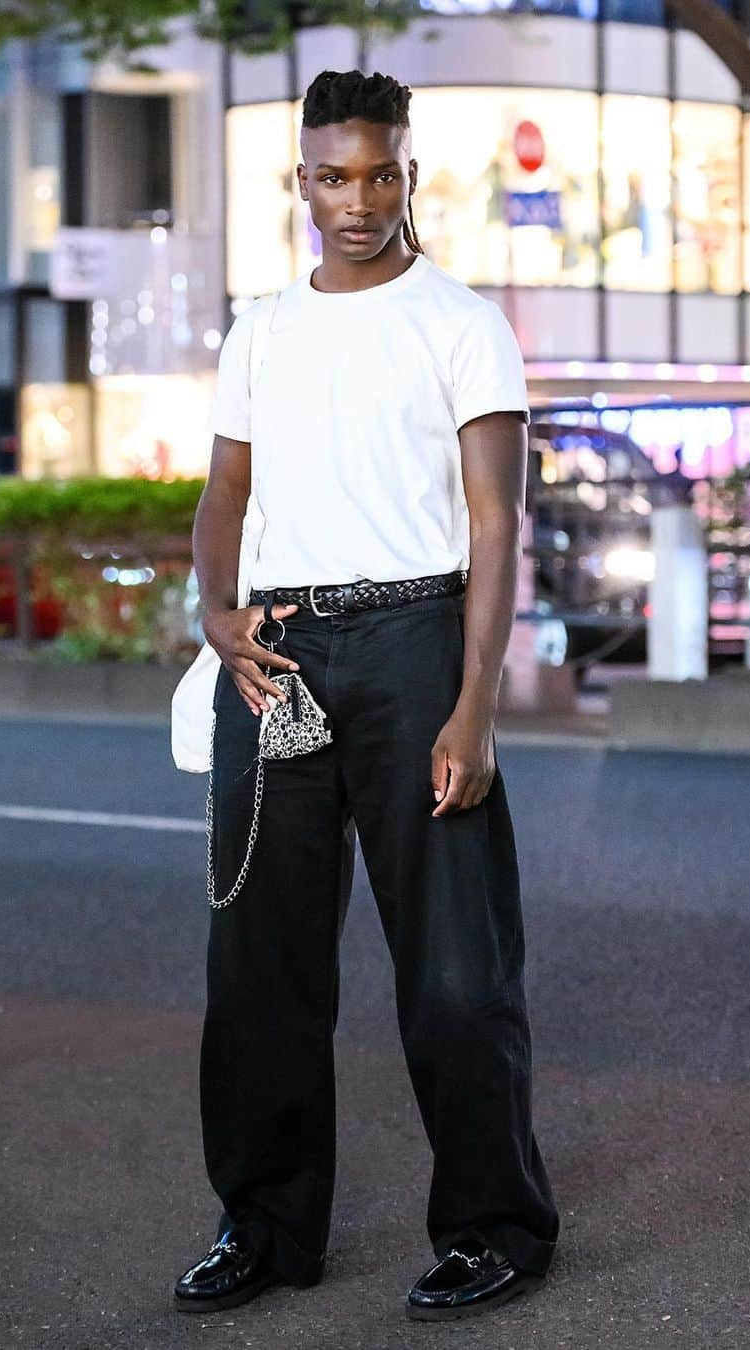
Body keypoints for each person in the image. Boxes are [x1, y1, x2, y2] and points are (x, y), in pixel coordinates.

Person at [173, 68, 560, 1323]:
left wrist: (475, 705)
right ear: (301, 182)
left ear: (410, 172)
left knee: (456, 970)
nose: (359, 198)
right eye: (335, 175)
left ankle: (495, 1226)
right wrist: (213, 610)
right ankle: (265, 1227)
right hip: (275, 656)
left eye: (381, 172)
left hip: (414, 645)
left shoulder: (461, 321)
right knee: (261, 970)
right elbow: (224, 495)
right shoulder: (263, 328)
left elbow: (497, 524)